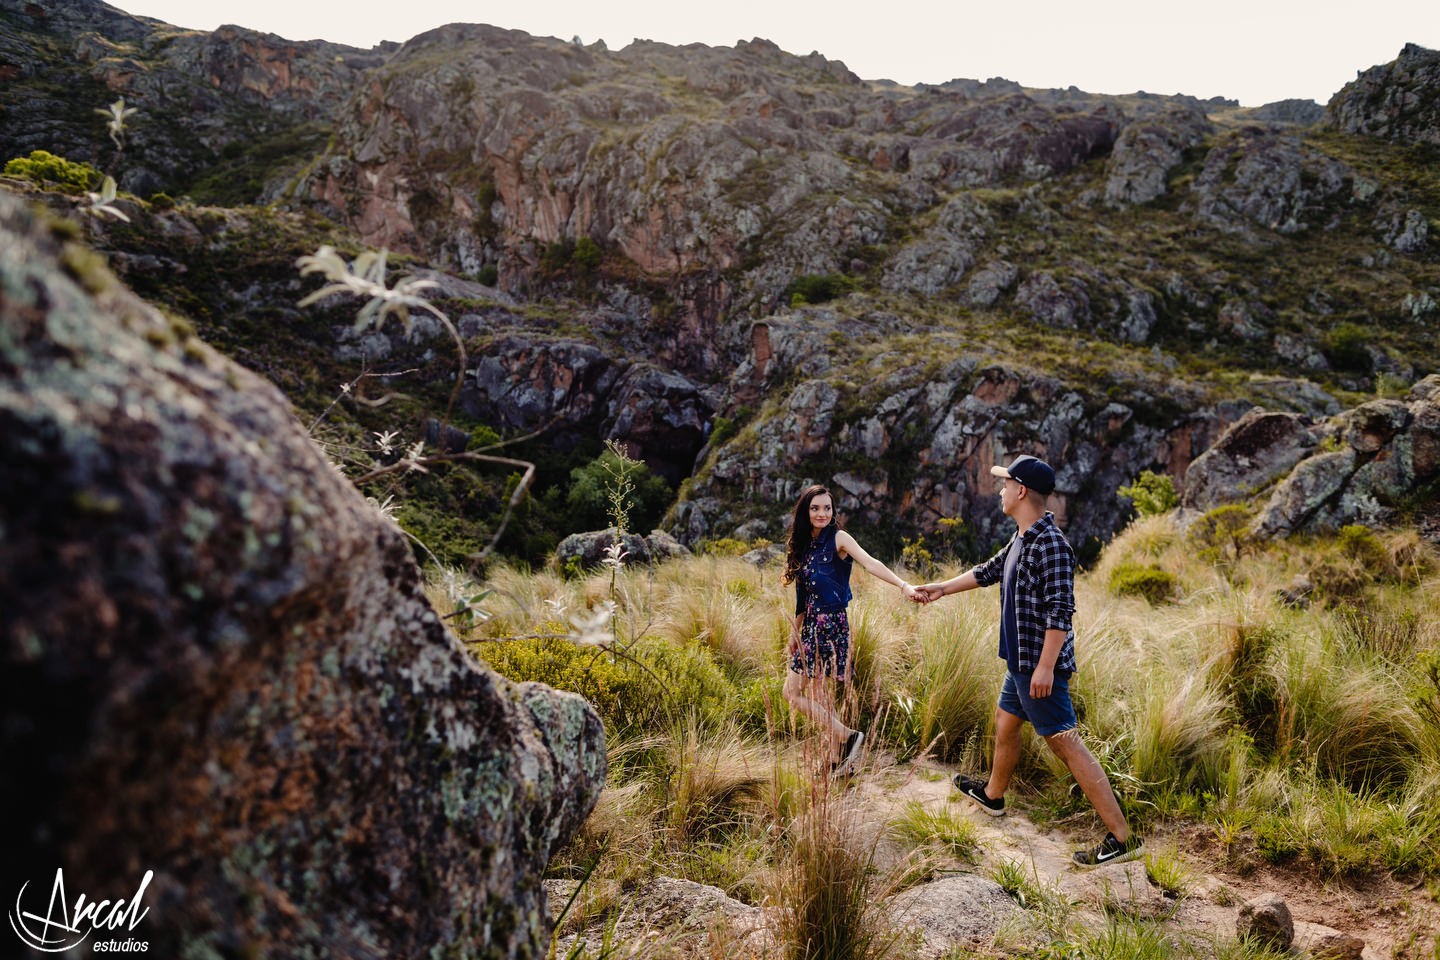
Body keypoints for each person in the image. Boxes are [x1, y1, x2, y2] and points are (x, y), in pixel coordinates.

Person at [913, 455, 1144, 868]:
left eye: (1005, 485)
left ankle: (1122, 838)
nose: (1000, 491)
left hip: (1039, 668)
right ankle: (994, 796)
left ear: (1021, 491)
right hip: (1020, 664)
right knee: (1006, 724)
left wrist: (1044, 668)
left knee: (1067, 746)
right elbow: (987, 572)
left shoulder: (1051, 544)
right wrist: (939, 589)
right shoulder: (1023, 537)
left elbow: (1061, 610)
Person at [783, 484, 920, 777]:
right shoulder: (805, 545)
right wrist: (794, 634)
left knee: (793, 694)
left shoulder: (839, 538)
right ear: (806, 512)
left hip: (830, 625)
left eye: (827, 508)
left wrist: (903, 585)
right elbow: (802, 599)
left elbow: (871, 563)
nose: (822, 513)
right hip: (810, 628)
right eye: (815, 508)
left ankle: (847, 736)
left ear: (833, 512)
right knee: (816, 696)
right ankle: (839, 760)